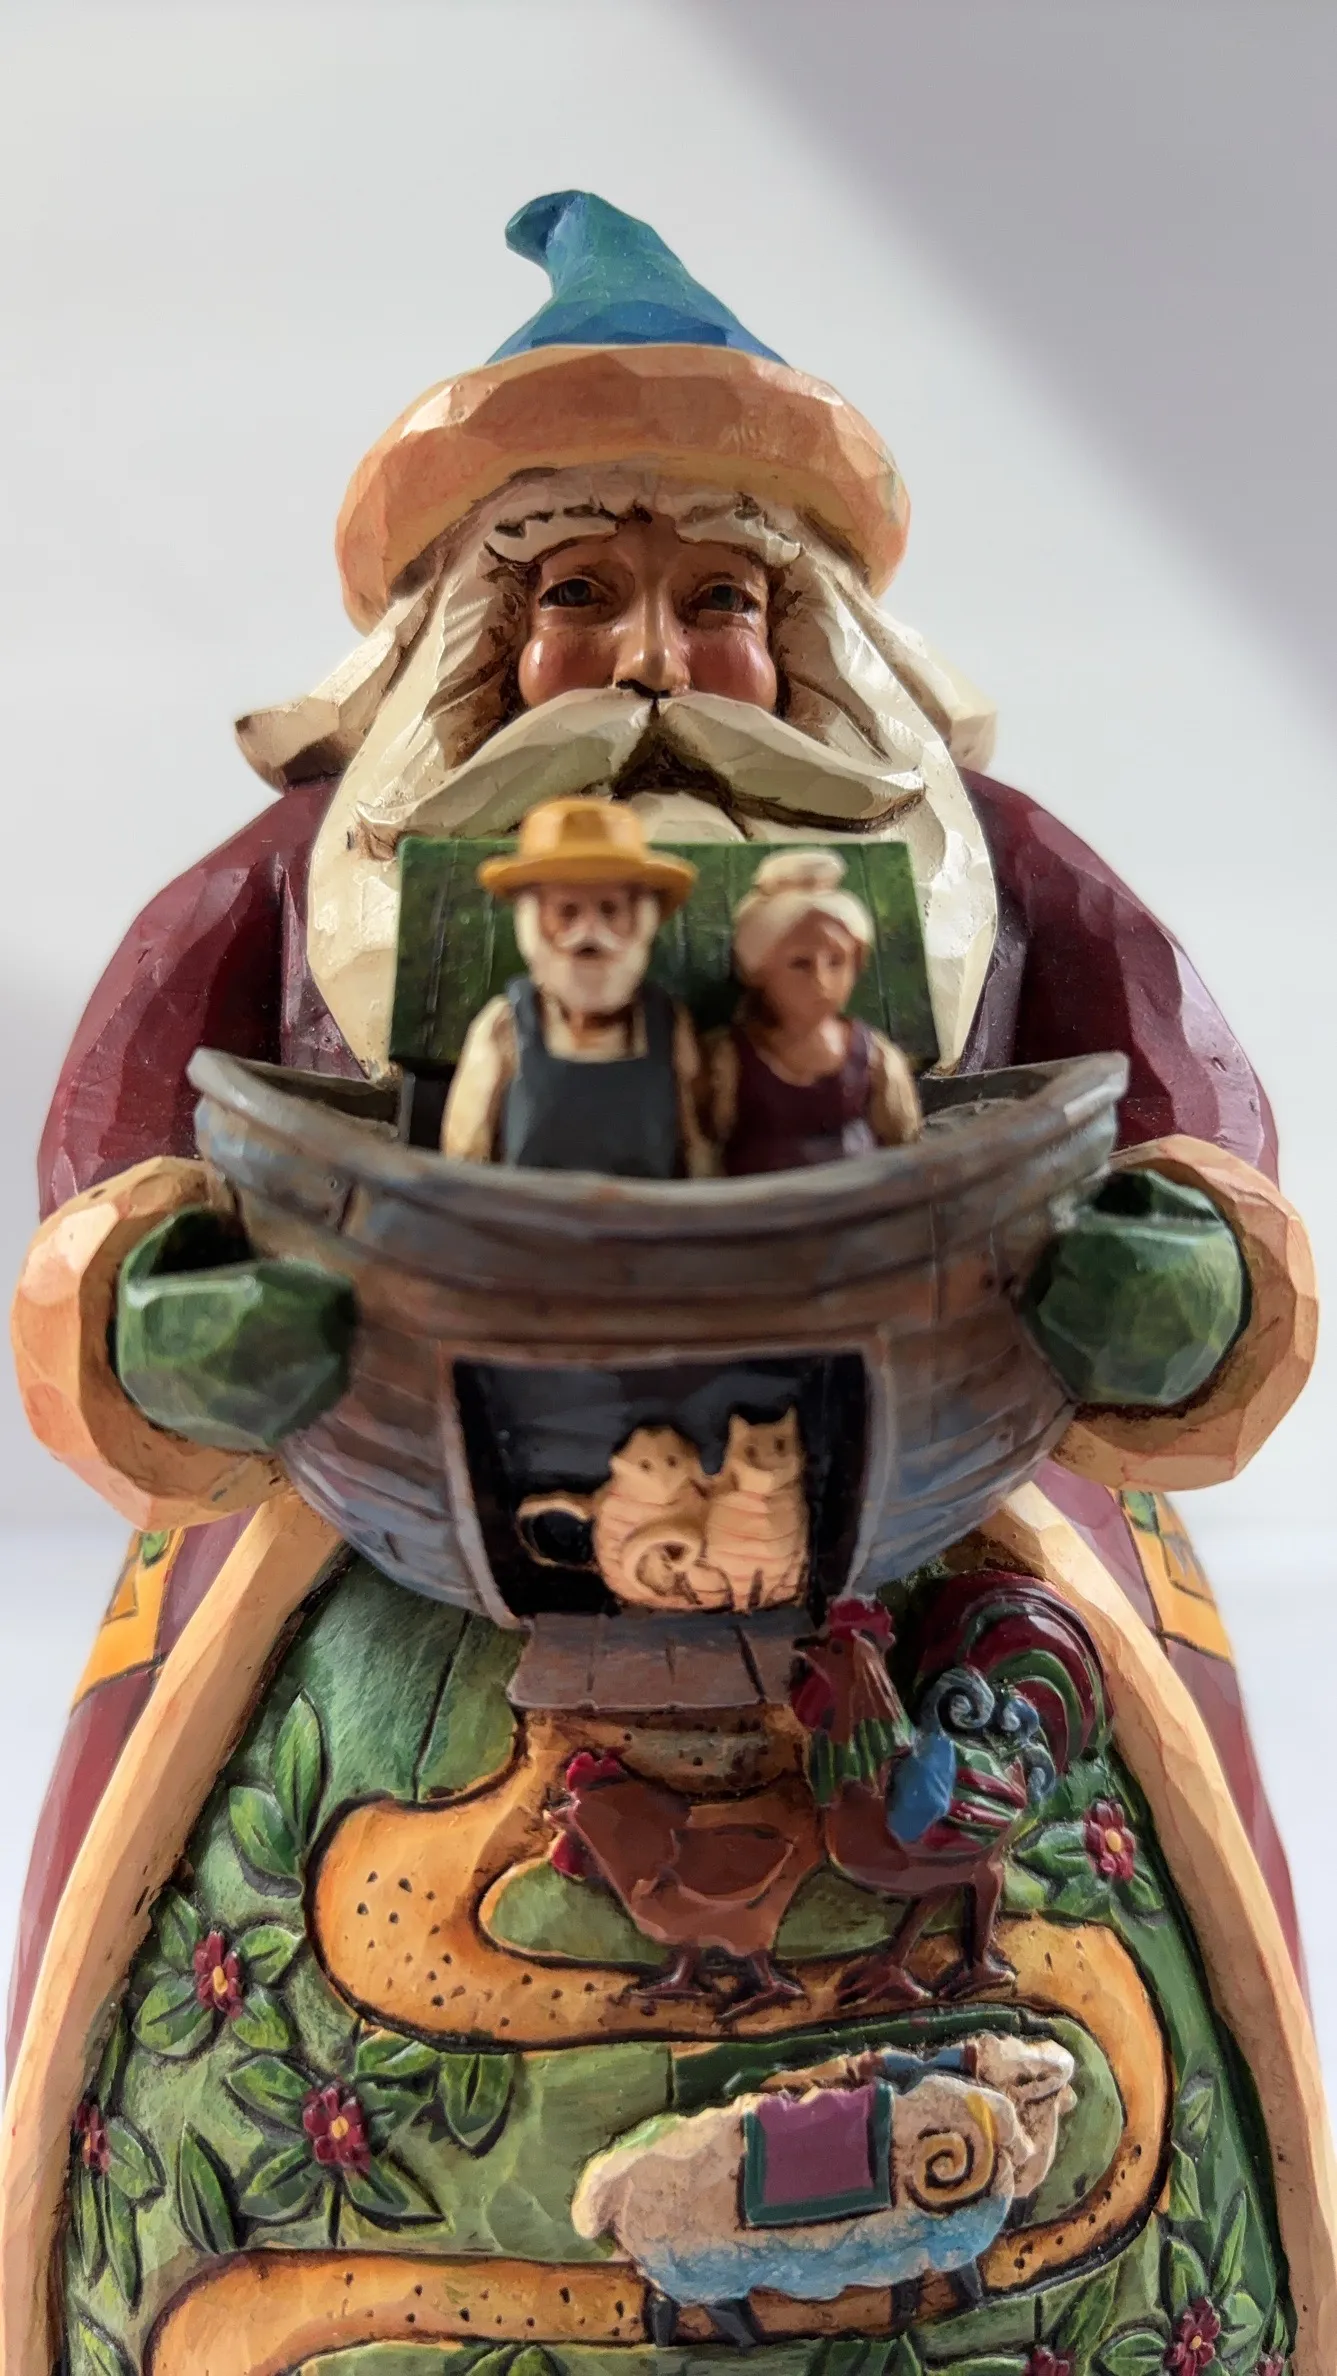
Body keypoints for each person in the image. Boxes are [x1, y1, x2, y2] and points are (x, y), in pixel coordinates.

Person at [5, 193, 1329, 2376]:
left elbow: (1187, 1105)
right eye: (574, 598)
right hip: (386, 1565)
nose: (645, 658)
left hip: (927, 1542)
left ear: (814, 644)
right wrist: (158, 1302)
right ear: (467, 647)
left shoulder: (980, 867)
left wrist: (1180, 1266)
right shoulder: (305, 877)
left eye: (718, 599)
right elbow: (119, 1147)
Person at [440, 797, 709, 1176]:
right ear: (534, 920)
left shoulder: (670, 1027)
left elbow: (700, 1150)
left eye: (610, 910)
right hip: (527, 1213)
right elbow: (464, 1159)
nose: (589, 931)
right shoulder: (502, 1028)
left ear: (641, 918)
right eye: (567, 911)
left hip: (645, 1213)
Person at [708, 849, 922, 1173]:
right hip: (764, 1198)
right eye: (800, 964)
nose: (821, 981)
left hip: (859, 1193)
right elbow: (709, 1144)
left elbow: (903, 1138)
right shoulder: (732, 1061)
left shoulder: (873, 1056)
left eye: (836, 961)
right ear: (758, 970)